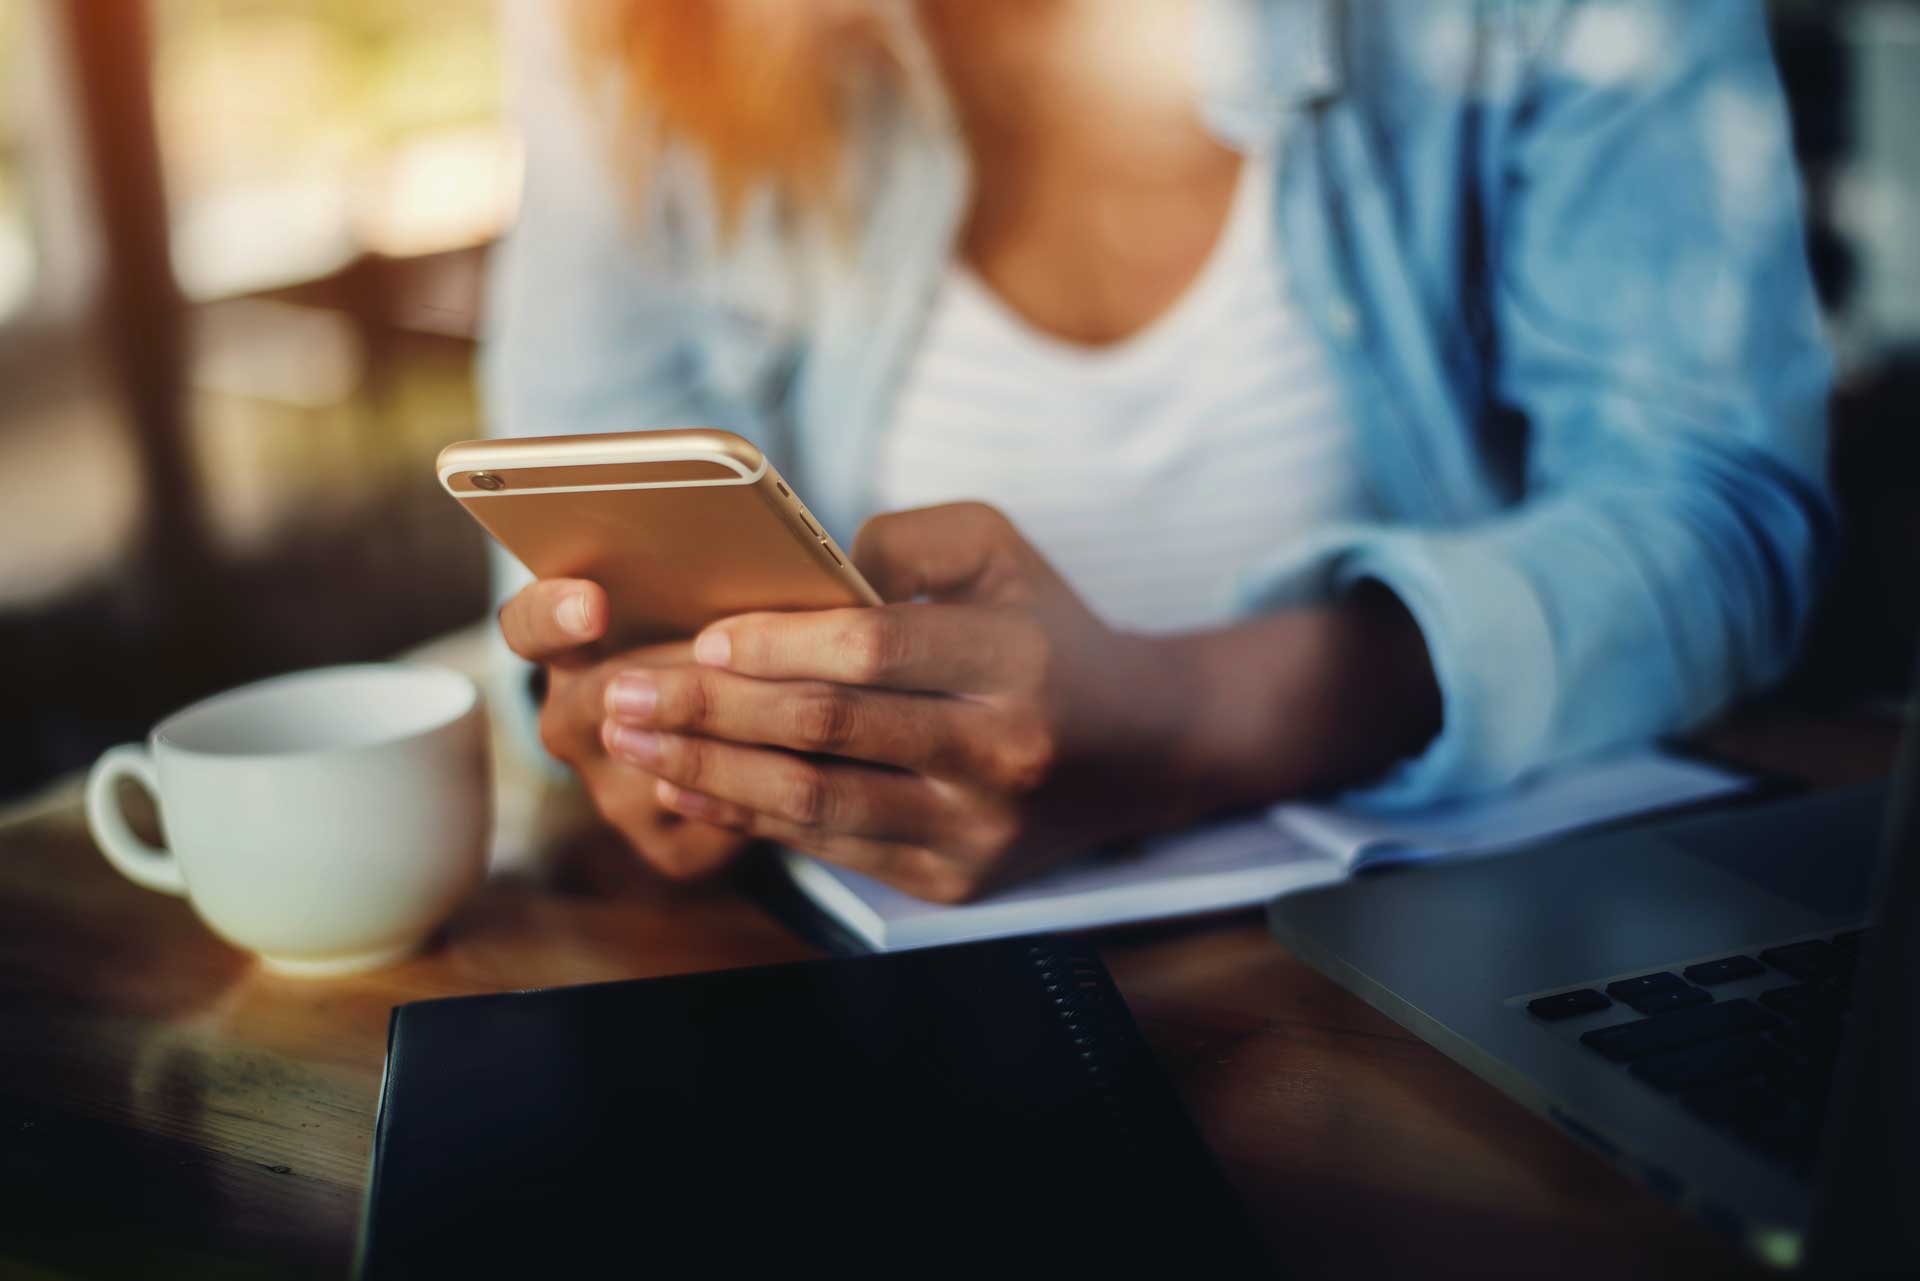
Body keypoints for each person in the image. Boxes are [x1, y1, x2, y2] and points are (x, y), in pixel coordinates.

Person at [486, 0, 1832, 904]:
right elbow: (556, 574)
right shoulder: (631, 28)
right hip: (862, 1001)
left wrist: (1202, 717)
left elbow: (1722, 517)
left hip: (1456, 977)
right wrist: (658, 737)